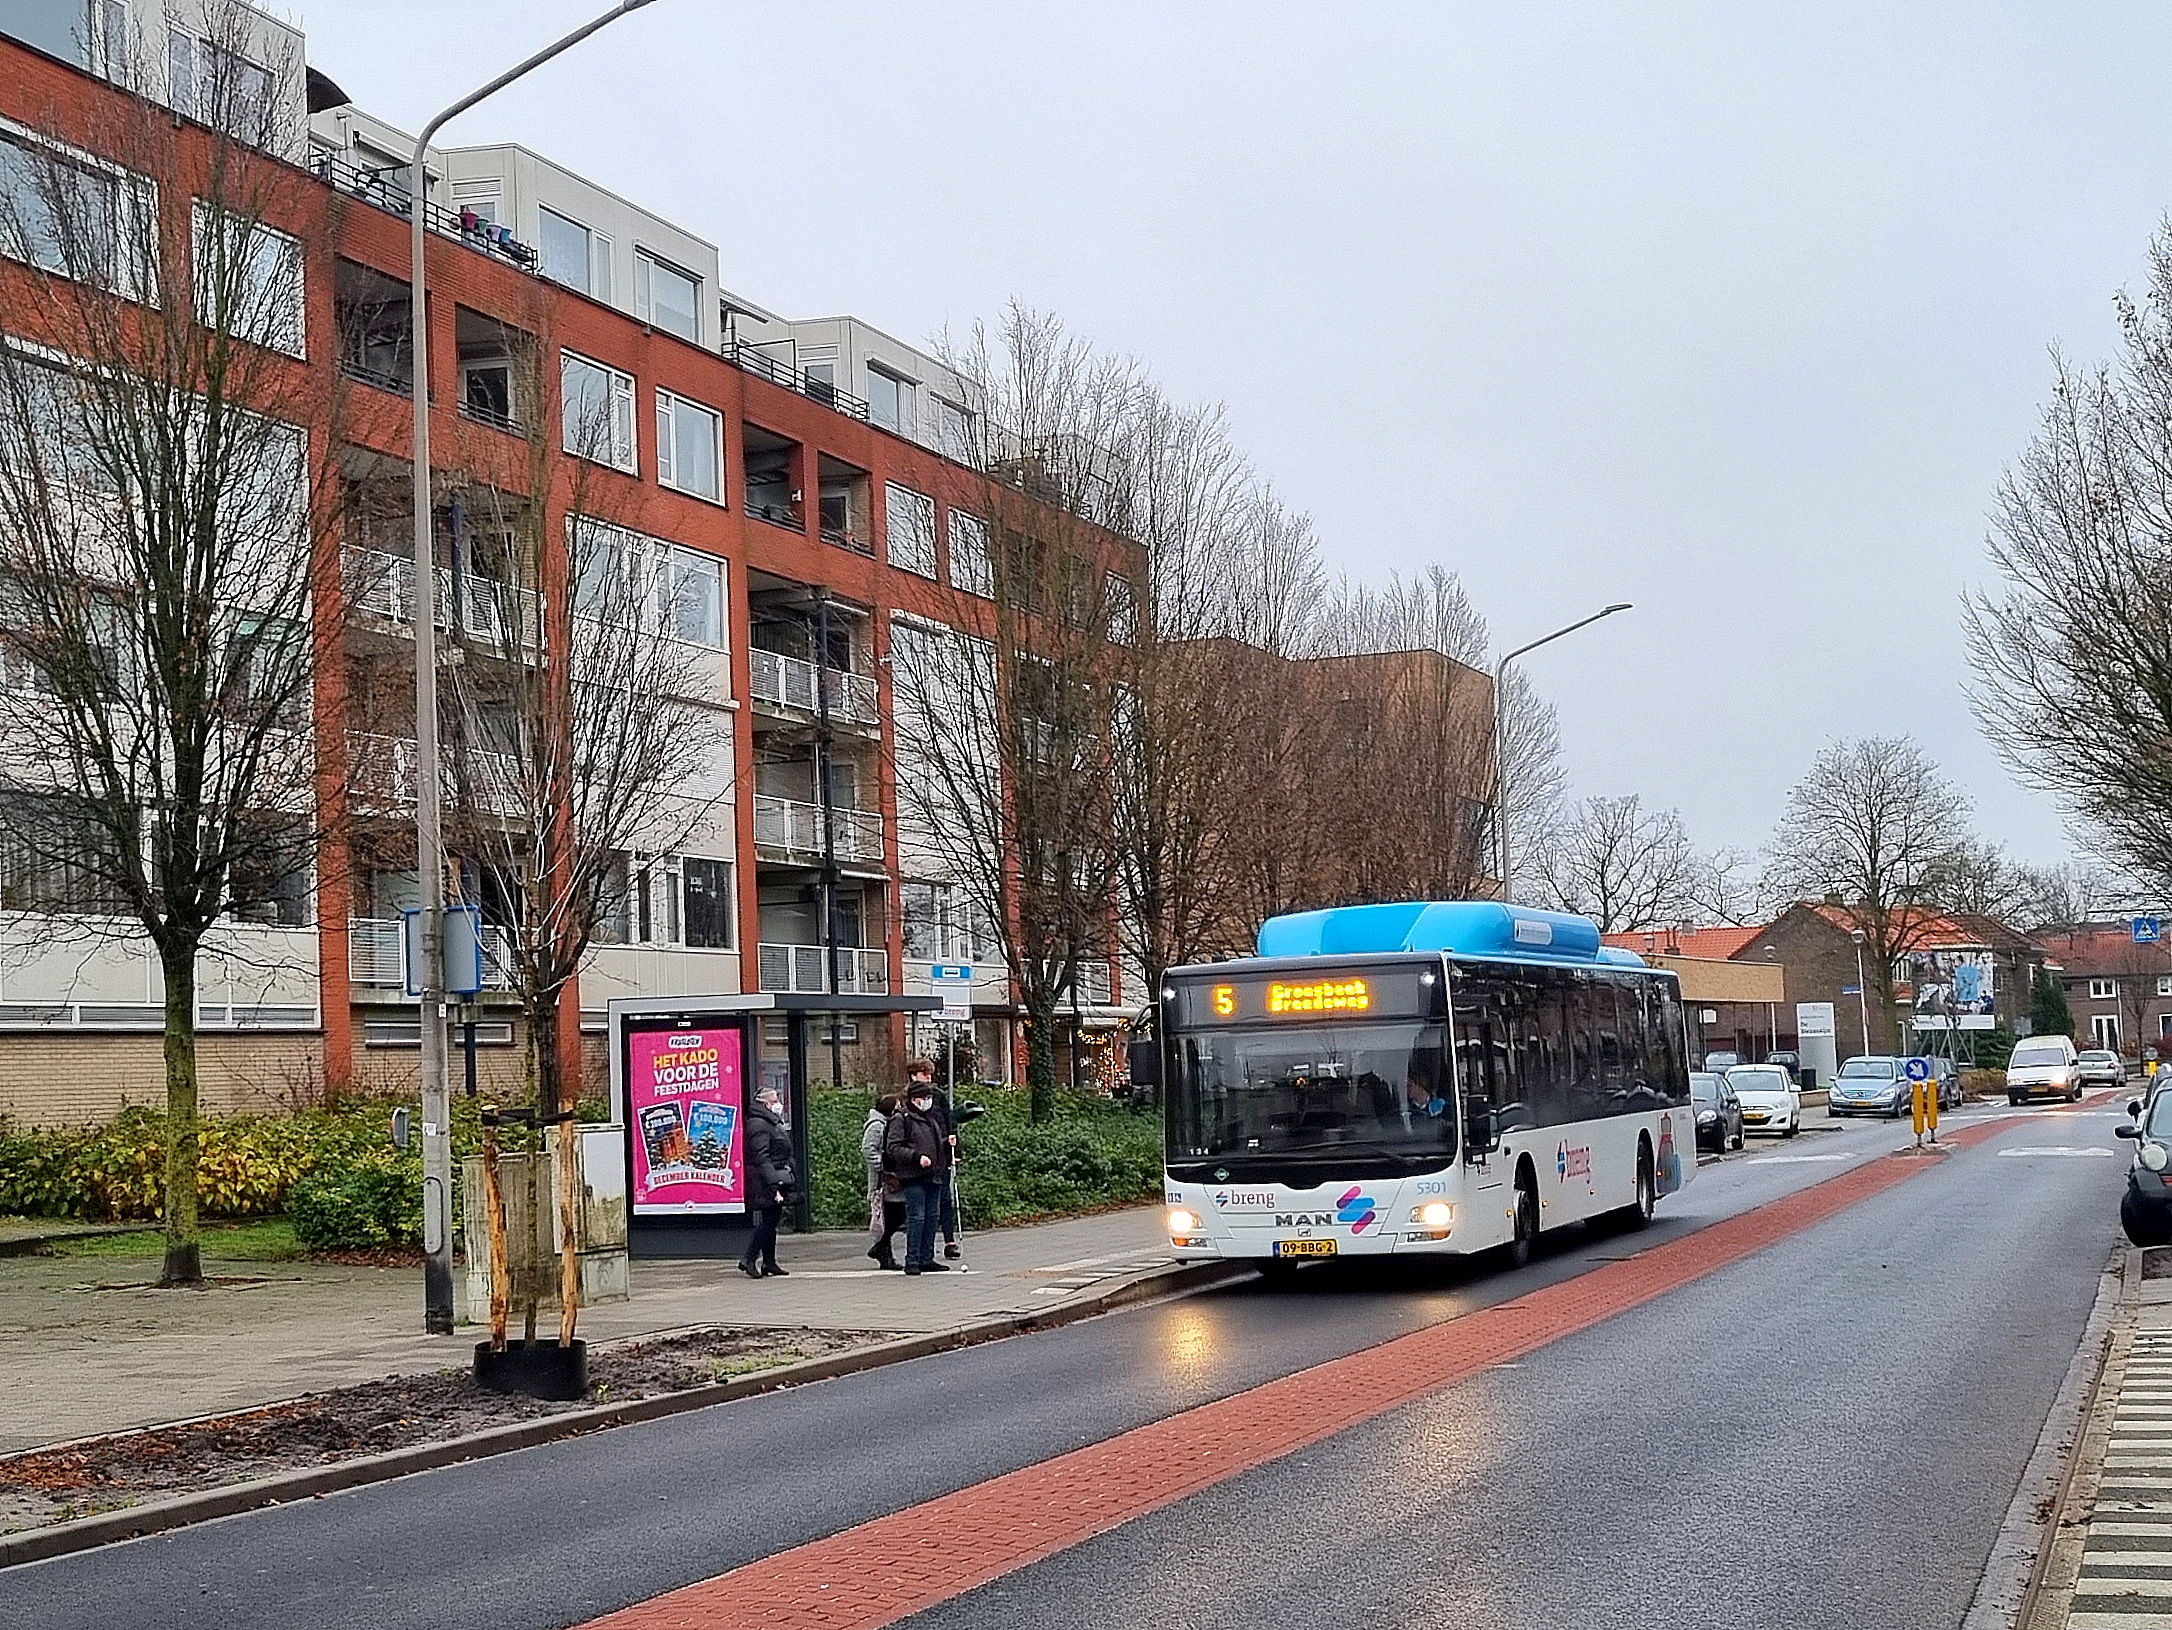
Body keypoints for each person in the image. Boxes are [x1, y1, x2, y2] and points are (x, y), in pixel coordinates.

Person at [885, 1077, 952, 1275]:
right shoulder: (901, 1118)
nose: (928, 1101)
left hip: (933, 1174)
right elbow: (893, 1148)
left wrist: (946, 1143)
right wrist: (916, 1157)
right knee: (917, 1217)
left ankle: (927, 1257)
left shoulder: (930, 1118)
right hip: (913, 1175)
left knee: (932, 1217)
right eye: (924, 1097)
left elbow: (932, 1142)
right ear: (914, 1099)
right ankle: (912, 1259)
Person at [906, 1057, 965, 1261]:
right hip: (919, 1160)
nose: (928, 1078)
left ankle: (948, 1241)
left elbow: (950, 1122)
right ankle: (919, 1253)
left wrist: (956, 1151)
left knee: (944, 1200)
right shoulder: (908, 1100)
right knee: (921, 1208)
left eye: (929, 1074)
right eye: (924, 1074)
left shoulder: (937, 1097)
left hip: (941, 1155)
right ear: (914, 1075)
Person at [738, 1085, 794, 1280]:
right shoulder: (759, 1124)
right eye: (774, 1100)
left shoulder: (769, 1122)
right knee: (769, 1221)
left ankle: (769, 1262)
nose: (778, 1104)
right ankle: (749, 1259)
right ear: (765, 1103)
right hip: (765, 1179)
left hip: (770, 1176)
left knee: (772, 1219)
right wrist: (773, 1184)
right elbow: (761, 1156)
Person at [862, 1094, 904, 1269]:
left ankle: (884, 1250)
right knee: (891, 1215)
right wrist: (883, 1167)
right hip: (882, 1180)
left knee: (895, 1214)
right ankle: (883, 1250)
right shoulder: (877, 1126)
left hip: (890, 1178)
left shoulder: (888, 1124)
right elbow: (868, 1149)